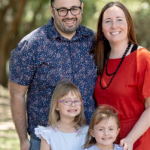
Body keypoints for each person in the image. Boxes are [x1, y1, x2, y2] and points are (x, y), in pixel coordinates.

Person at [9, 0, 97, 149]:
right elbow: (17, 94)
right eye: (62, 10)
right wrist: (23, 139)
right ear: (52, 11)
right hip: (45, 140)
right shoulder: (31, 45)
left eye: (74, 9)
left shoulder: (94, 41)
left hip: (88, 138)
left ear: (81, 8)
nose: (69, 15)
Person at [94, 1, 150, 150]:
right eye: (108, 21)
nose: (114, 26)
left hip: (135, 141)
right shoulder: (98, 58)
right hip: (105, 142)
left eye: (119, 19)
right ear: (101, 29)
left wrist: (131, 139)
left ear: (129, 24)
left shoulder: (142, 58)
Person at [35, 79, 88, 150]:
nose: (73, 105)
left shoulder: (87, 132)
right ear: (57, 106)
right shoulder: (48, 134)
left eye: (76, 101)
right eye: (67, 101)